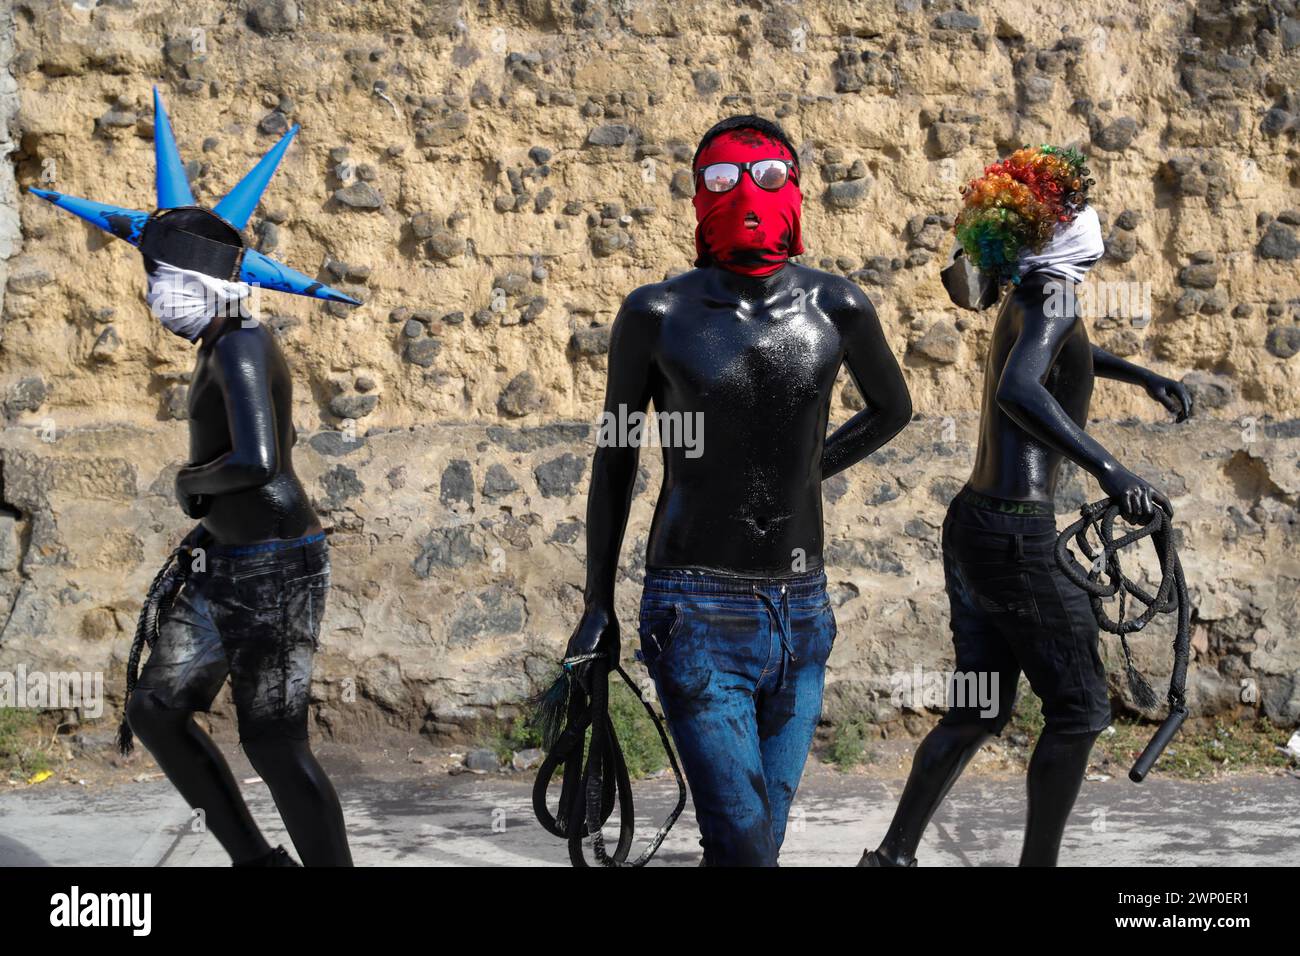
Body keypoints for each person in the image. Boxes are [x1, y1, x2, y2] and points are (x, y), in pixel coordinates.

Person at [564, 115, 913, 866]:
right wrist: (597, 601)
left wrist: (809, 468)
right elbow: (616, 459)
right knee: (746, 846)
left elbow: (893, 409)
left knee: (761, 843)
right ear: (698, 196)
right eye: (721, 181)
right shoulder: (655, 315)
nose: (745, 197)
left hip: (802, 610)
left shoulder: (836, 307)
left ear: (795, 189)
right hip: (695, 608)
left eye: (766, 179)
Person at [32, 89, 359, 866]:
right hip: (226, 562)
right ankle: (256, 861)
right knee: (156, 707)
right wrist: (203, 505)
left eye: (165, 277)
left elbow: (256, 462)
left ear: (207, 279)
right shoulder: (218, 345)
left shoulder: (243, 347)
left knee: (275, 741)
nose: (156, 296)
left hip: (273, 563)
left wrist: (190, 487)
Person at [863, 146, 1192, 868]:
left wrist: (1139, 374)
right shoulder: (1054, 293)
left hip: (976, 525)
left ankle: (889, 858)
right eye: (1072, 210)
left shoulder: (1039, 292)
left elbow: (1059, 358)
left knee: (978, 707)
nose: (1088, 220)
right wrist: (1110, 469)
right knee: (1079, 711)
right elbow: (1021, 386)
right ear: (1044, 226)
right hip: (1016, 537)